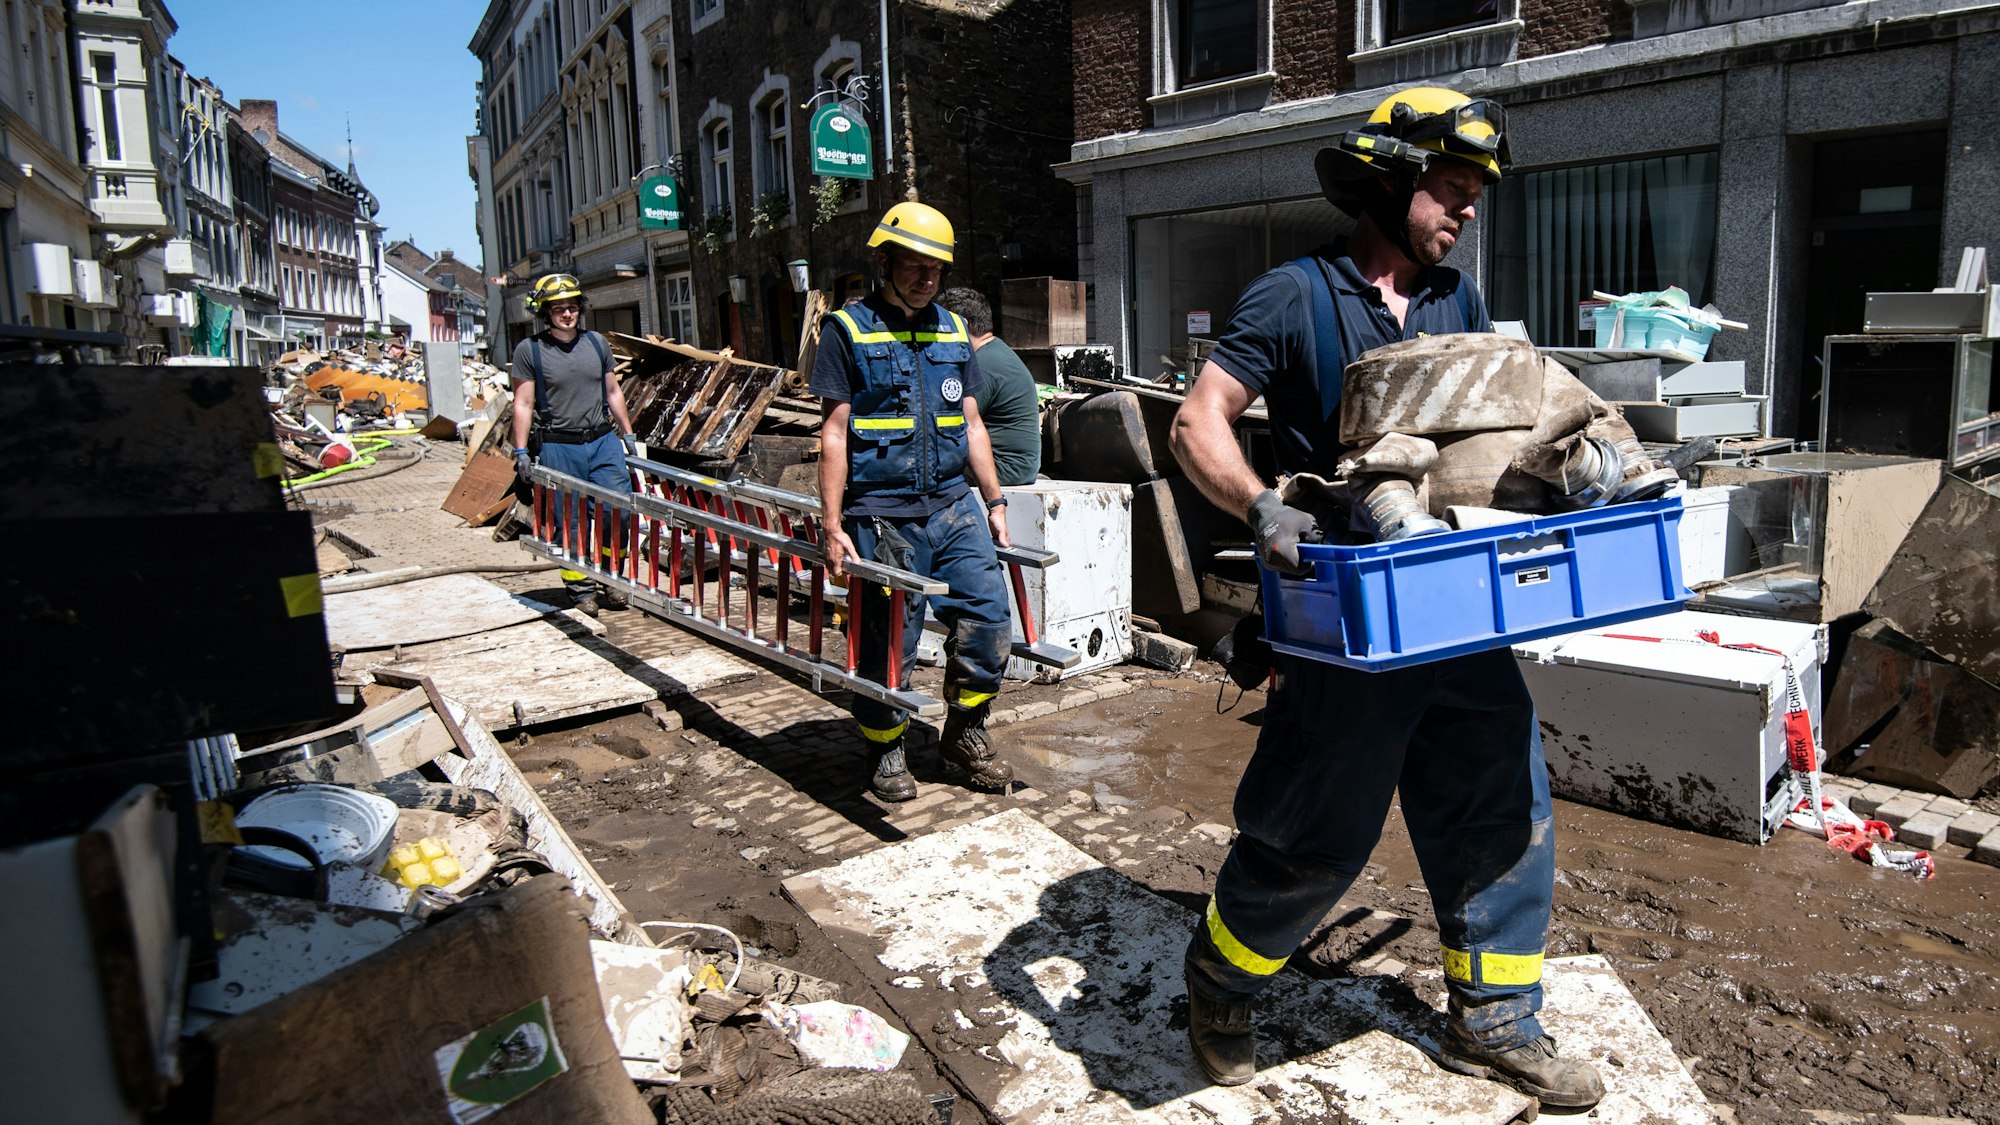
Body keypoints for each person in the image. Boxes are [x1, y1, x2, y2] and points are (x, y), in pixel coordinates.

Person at [1167, 87, 1605, 1109]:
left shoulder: (1457, 305)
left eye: (1471, 196)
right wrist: (1266, 509)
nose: (1462, 211)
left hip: (1454, 605)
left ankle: (1493, 1022)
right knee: (1316, 828)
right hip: (1349, 622)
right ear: (1388, 179)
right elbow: (1198, 424)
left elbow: (1482, 446)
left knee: (1499, 808)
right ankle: (1222, 983)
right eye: (1448, 189)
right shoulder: (1292, 295)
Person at [811, 202, 1017, 804]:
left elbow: (972, 425)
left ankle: (963, 733)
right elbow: (832, 433)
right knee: (889, 637)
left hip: (955, 507)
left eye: (936, 268)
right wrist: (831, 525)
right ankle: (886, 747)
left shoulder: (954, 331)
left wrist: (996, 501)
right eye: (913, 264)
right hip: (881, 510)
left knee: (988, 619)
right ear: (887, 262)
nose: (925, 277)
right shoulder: (847, 330)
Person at [509, 272, 639, 618]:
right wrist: (521, 451)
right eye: (558, 309)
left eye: (572, 307)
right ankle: (581, 589)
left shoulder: (596, 343)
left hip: (601, 440)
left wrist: (628, 436)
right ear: (545, 312)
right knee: (569, 520)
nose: (567, 314)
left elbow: (613, 392)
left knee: (619, 511)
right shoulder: (530, 351)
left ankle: (612, 579)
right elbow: (522, 403)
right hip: (558, 445)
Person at [935, 287, 1041, 486]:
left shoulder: (983, 364)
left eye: (940, 324)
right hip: (1013, 466)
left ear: (962, 325)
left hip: (1004, 468)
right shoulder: (994, 352)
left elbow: (951, 423)